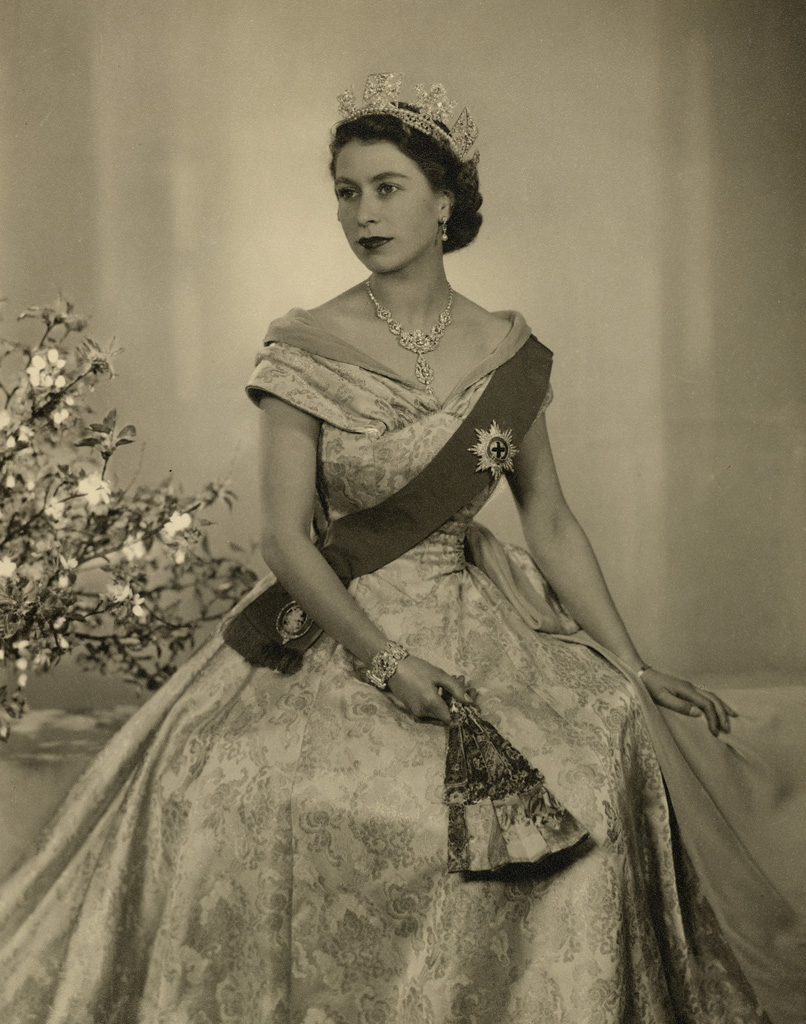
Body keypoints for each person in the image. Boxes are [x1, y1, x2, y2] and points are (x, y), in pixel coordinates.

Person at [0, 72, 803, 1024]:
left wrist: (630, 662)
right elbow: (284, 540)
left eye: (387, 187)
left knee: (596, 758)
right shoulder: (304, 345)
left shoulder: (508, 350)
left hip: (483, 616)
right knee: (245, 789)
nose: (363, 213)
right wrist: (388, 664)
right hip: (342, 623)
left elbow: (548, 519)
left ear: (445, 197)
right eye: (346, 190)